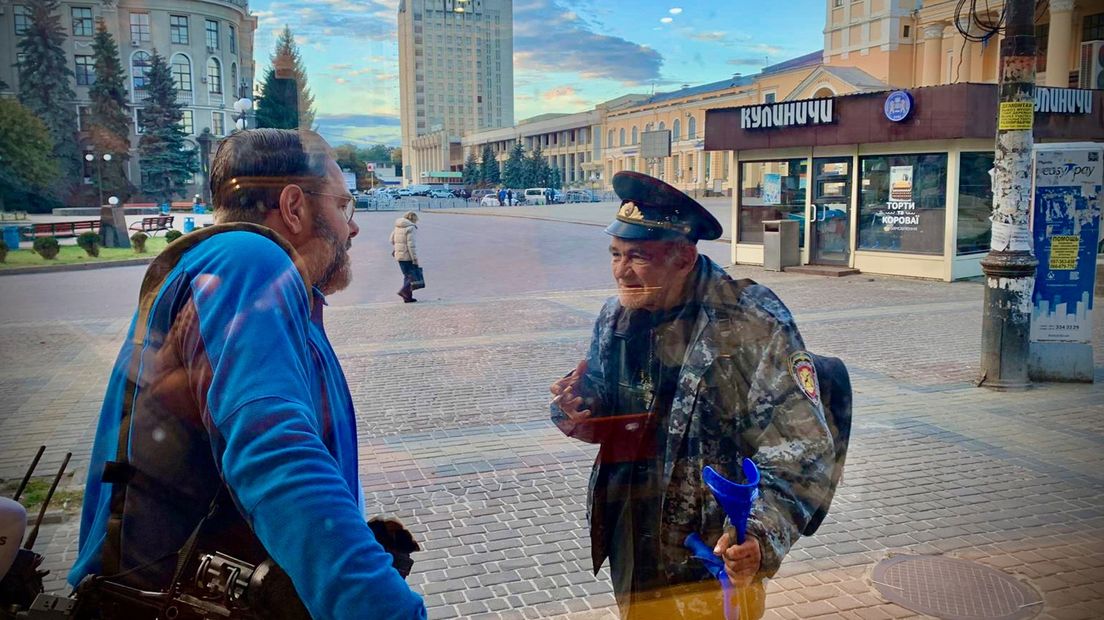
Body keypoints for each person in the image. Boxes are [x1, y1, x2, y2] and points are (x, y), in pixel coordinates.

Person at [68, 129, 427, 620]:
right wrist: (381, 608)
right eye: (344, 205)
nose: (353, 227)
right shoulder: (246, 262)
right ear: (294, 206)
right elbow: (275, 453)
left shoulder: (245, 276)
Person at [550, 171, 837, 619]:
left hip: (711, 555)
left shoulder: (750, 321)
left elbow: (802, 451)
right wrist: (577, 406)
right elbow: (606, 395)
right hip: (632, 538)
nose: (621, 271)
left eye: (637, 257)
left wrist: (759, 537)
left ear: (683, 257)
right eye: (615, 254)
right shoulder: (616, 316)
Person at [390, 211, 420, 303]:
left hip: (399, 255)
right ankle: (404, 291)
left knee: (406, 276)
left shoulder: (398, 226)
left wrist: (397, 248)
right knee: (412, 276)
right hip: (407, 255)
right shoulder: (411, 228)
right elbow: (411, 245)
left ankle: (407, 297)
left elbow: (391, 239)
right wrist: (415, 258)